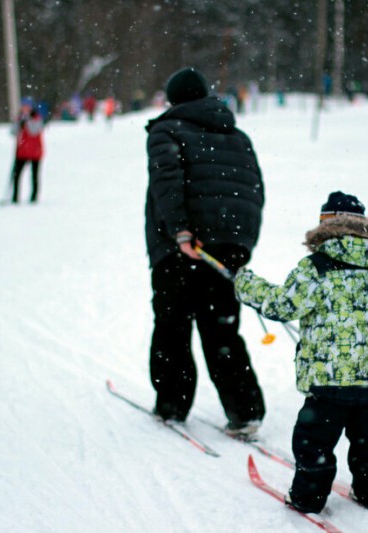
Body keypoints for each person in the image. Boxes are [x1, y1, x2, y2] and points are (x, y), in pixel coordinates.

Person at [234, 191, 368, 514]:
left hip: (330, 380)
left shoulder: (317, 267)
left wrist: (247, 286)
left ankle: (308, 497)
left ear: (326, 225)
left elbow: (283, 304)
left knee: (314, 439)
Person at [144, 67, 266, 435]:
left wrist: (181, 231)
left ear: (173, 99)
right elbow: (253, 191)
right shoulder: (238, 136)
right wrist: (240, 243)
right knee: (221, 328)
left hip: (181, 247)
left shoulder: (166, 130)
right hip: (226, 249)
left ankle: (171, 406)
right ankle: (245, 410)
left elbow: (167, 182)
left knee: (172, 327)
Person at [10, 108, 44, 204]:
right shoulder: (20, 119)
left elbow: (34, 131)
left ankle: (34, 197)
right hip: (22, 152)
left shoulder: (37, 119)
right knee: (16, 175)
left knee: (34, 176)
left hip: (35, 152)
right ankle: (15, 196)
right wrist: (18, 123)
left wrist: (27, 122)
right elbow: (13, 132)